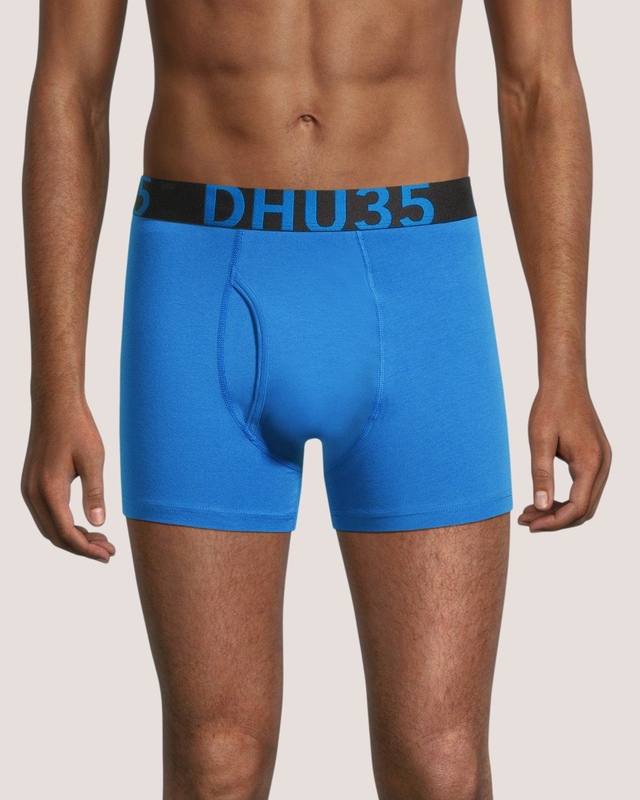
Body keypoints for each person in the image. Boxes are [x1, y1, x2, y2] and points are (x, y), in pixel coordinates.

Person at [20, 0, 612, 797]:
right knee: (216, 763)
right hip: (199, 279)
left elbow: (538, 83)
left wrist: (566, 366)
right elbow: (71, 88)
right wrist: (55, 386)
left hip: (418, 279)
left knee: (442, 766)